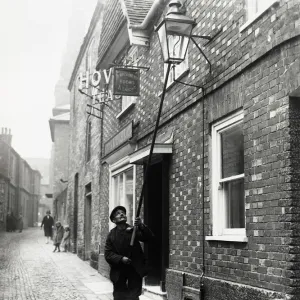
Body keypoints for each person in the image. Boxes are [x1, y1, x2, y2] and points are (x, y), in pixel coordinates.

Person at [105, 206, 154, 300]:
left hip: (134, 269)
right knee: (119, 296)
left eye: (123, 212)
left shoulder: (133, 230)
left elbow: (149, 238)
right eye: (118, 213)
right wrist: (121, 259)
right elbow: (108, 254)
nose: (122, 214)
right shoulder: (111, 235)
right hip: (119, 270)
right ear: (114, 220)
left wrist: (141, 225)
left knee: (133, 296)